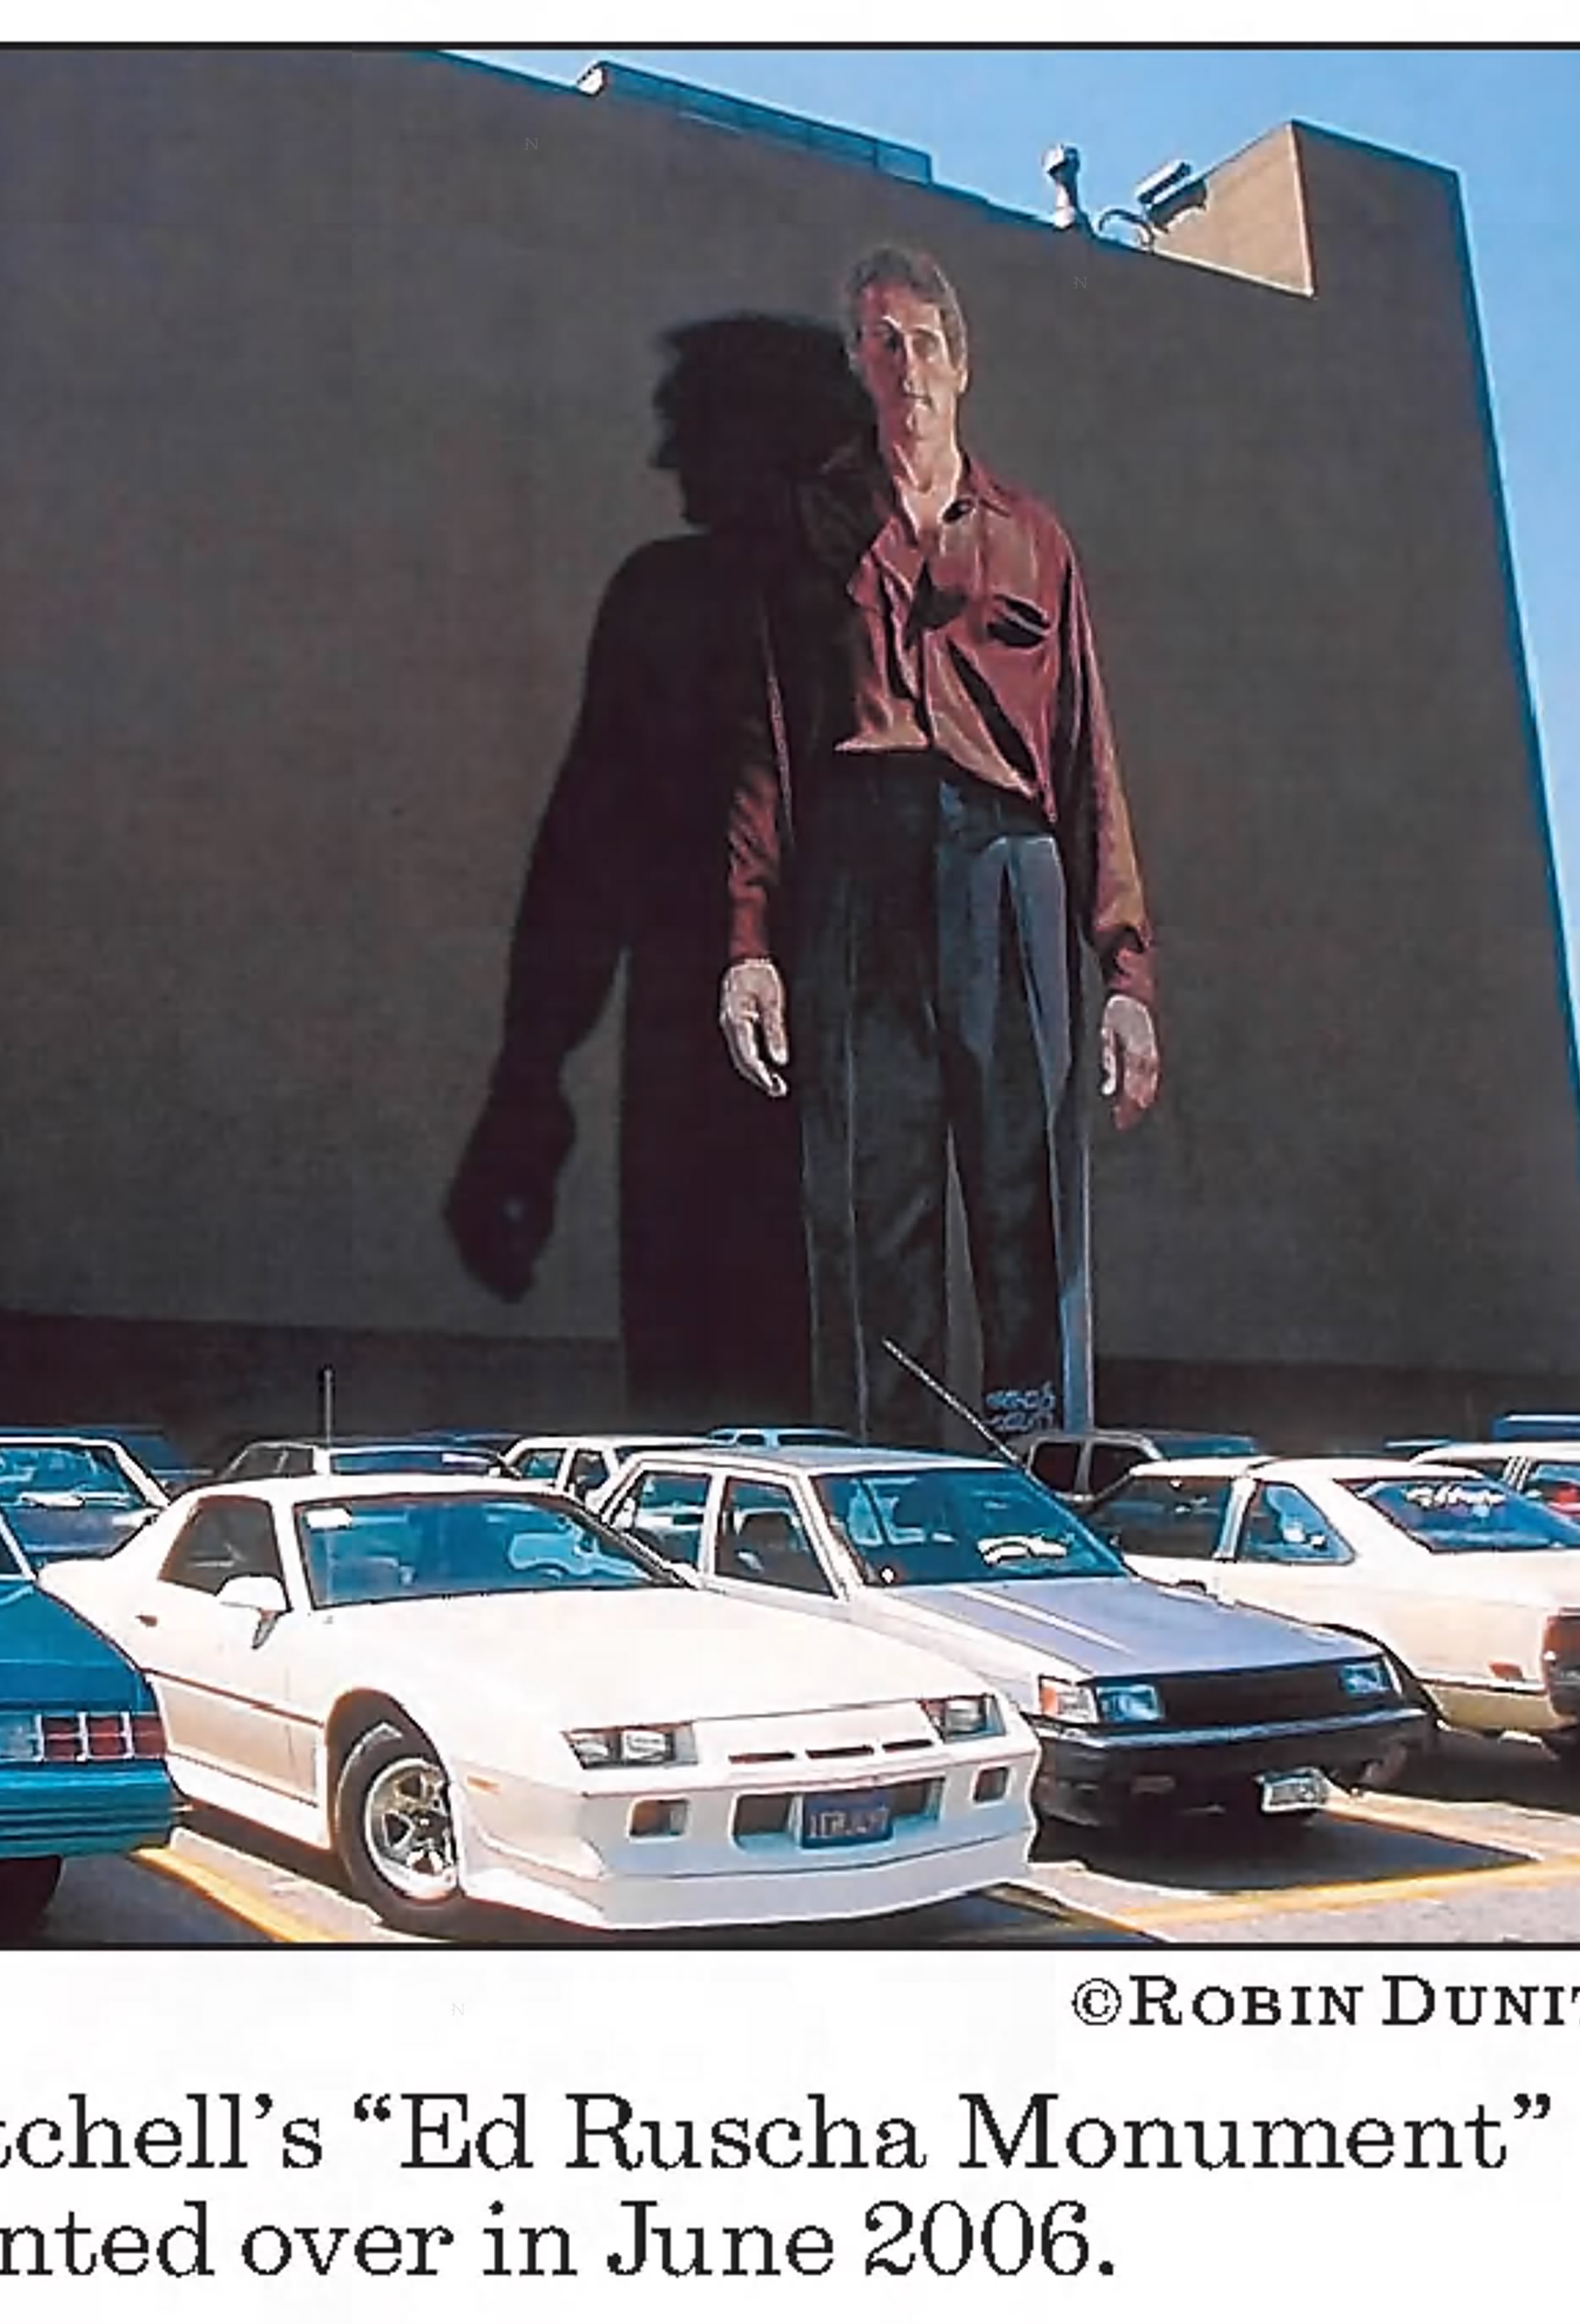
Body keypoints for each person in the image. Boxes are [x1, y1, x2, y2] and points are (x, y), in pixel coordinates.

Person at [716, 245, 1160, 1447]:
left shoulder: (1032, 539)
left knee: (1027, 1198)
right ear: (856, 367)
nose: (902, 364)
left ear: (960, 366)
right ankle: (887, 1484)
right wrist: (750, 945)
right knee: (874, 1201)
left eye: (921, 342)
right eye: (878, 342)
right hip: (856, 870)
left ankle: (1037, 1471)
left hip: (1007, 865)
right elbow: (764, 743)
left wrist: (1124, 973)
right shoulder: (806, 527)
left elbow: (1087, 756)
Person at [446, 316, 867, 1422]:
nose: (665, 456)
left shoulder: (691, 600)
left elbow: (586, 853)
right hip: (767, 1056)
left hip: (750, 1058)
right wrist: (527, 1082)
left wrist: (527, 1084)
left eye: (691, 427)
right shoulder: (876, 600)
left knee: (723, 1388)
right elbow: (587, 851)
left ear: (764, 434)